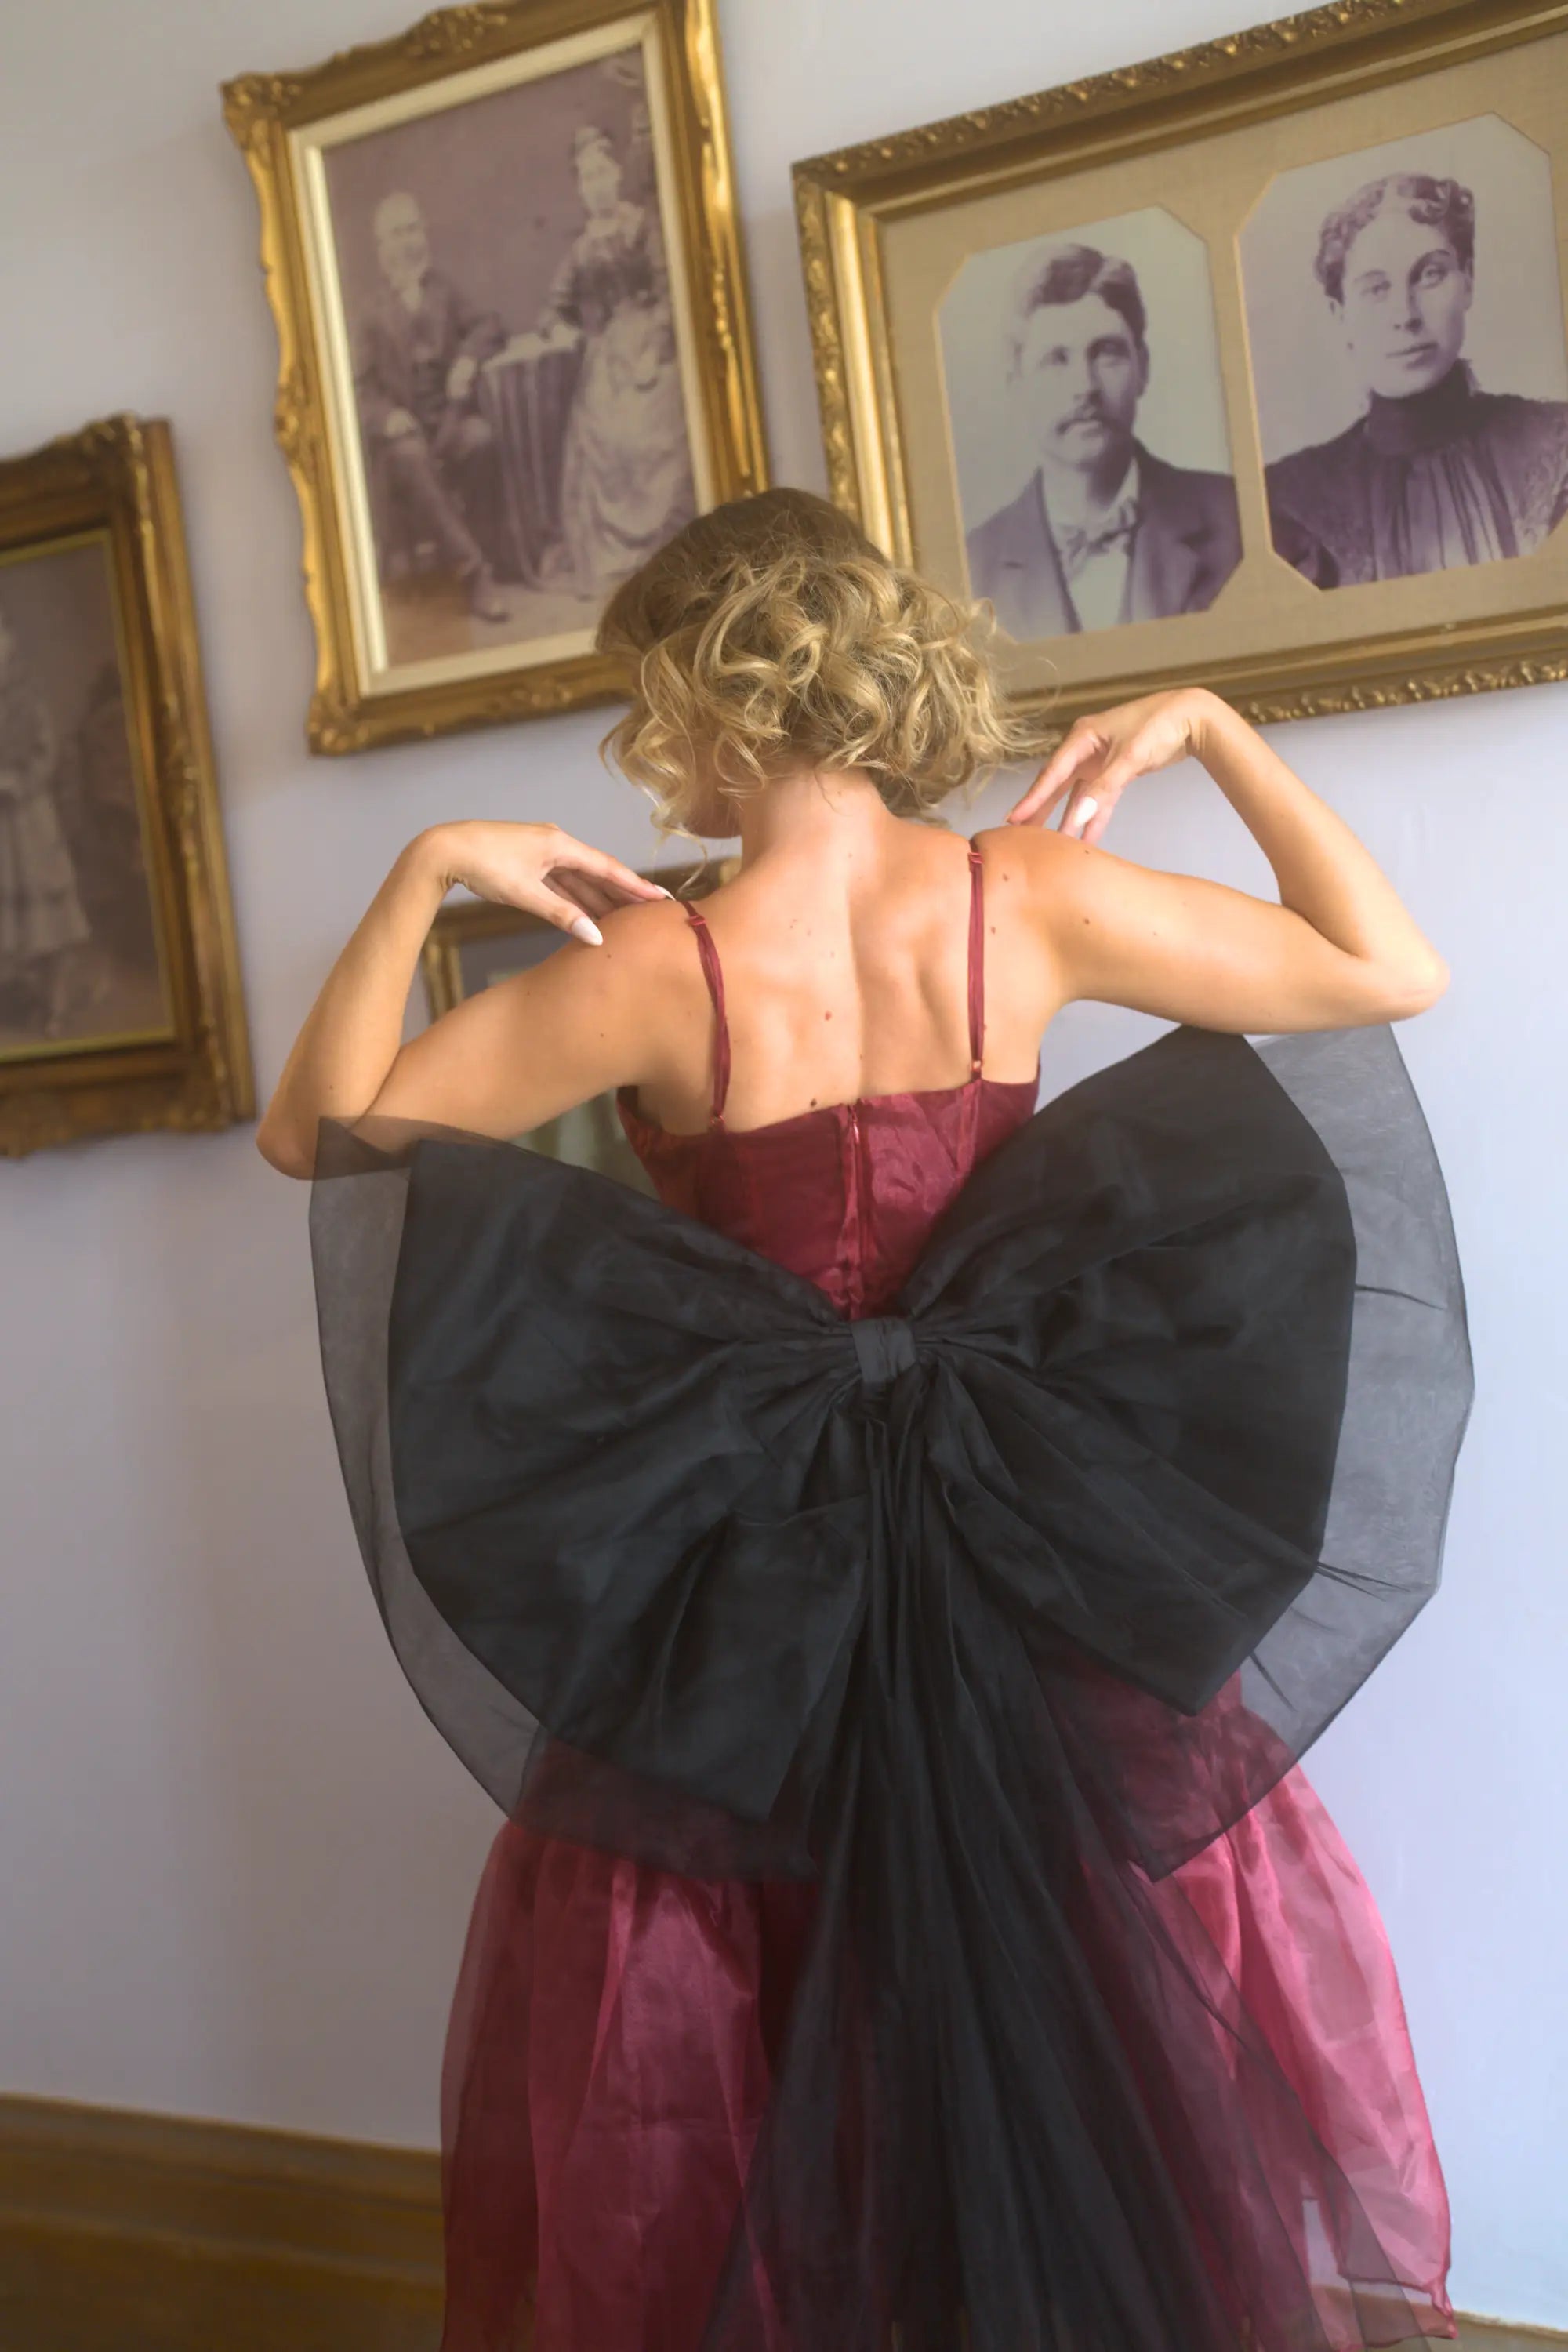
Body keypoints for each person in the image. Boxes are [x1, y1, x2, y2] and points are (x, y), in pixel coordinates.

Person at [259, 488, 1470, 2352]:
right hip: (1022, 1533)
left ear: (698, 699)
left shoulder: (657, 966)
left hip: (767, 1561)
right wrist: (1214, 729)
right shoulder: (1023, 895)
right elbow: (1382, 967)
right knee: (1068, 1957)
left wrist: (423, 869)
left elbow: (313, 1134)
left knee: (734, 1968)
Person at [1265, 169, 1568, 584]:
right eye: (1375, 289)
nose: (1405, 316)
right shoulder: (1290, 498)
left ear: (1468, 280)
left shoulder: (1556, 443)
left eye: (1429, 275)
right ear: (1341, 315)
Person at [964, 243, 1243, 637]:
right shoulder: (973, 566)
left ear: (1142, 367)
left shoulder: (1236, 521)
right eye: (1056, 360)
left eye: (1107, 354)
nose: (1085, 387)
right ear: (1017, 382)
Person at [535, 124, 695, 601]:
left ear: (618, 174)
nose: (597, 185)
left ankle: (662, 545)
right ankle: (617, 555)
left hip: (651, 339)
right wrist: (561, 329)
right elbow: (552, 307)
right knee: (603, 432)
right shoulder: (581, 248)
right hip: (606, 354)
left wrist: (657, 347)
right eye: (587, 178)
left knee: (653, 426)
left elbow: (670, 288)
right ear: (580, 188)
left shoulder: (641, 225)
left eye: (603, 173)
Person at [354, 191, 510, 622]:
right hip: (404, 439)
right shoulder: (370, 312)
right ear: (381, 248)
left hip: (448, 421)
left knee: (480, 439)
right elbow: (358, 389)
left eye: (413, 229)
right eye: (397, 234)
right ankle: (473, 572)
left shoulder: (444, 291)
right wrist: (387, 418)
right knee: (409, 457)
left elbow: (489, 324)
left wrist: (466, 359)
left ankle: (488, 552)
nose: (408, 242)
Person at [0, 604, 92, 1040]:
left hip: (31, 819)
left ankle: (56, 1006)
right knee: (9, 923)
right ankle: (22, 998)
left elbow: (46, 752)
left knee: (51, 921)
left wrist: (21, 781)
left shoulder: (30, 698)